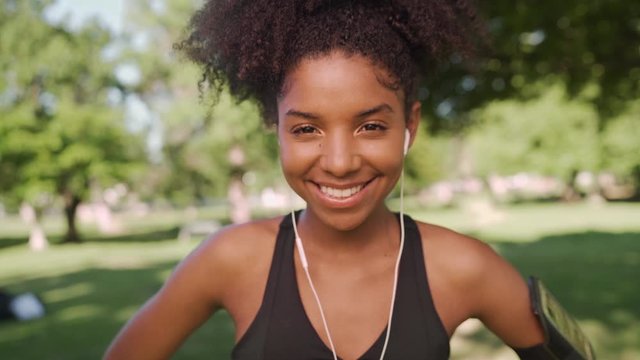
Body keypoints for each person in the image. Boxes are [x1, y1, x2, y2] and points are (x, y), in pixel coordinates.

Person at [105, 1, 568, 359]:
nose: (341, 162)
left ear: (411, 125)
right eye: (307, 129)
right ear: (277, 130)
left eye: (371, 126)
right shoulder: (230, 260)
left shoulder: (464, 267)